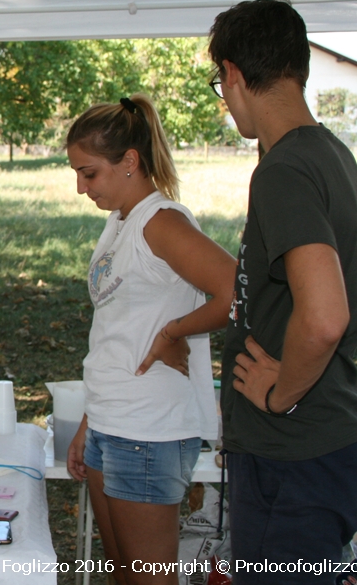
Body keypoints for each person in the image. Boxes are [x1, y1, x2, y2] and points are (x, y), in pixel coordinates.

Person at [208, 0, 357, 583]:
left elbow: (326, 317)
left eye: (220, 85)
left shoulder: (282, 170)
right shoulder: (333, 153)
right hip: (333, 439)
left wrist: (281, 392)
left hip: (293, 452)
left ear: (233, 74)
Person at [64, 94, 236, 584]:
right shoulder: (120, 220)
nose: (80, 187)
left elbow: (235, 290)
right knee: (124, 574)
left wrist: (176, 331)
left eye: (89, 173)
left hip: (149, 429)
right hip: (112, 418)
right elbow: (117, 330)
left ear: (129, 161)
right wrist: (90, 419)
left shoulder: (161, 222)